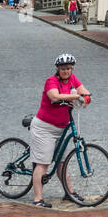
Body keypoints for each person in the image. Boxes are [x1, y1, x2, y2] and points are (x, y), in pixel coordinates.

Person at [29, 53, 91, 208]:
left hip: (61, 129)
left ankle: (69, 193)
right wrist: (75, 97)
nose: (66, 71)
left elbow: (84, 91)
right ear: (58, 69)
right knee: (43, 164)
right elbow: (54, 96)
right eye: (63, 68)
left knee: (62, 163)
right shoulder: (51, 81)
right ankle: (37, 199)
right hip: (44, 128)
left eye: (68, 68)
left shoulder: (72, 79)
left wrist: (86, 98)